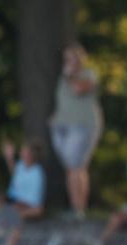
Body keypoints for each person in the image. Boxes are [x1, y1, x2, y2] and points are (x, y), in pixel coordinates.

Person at [49, 43, 103, 220]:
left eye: (73, 58)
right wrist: (55, 117)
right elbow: (64, 101)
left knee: (75, 167)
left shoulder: (88, 75)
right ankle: (77, 208)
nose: (69, 62)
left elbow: (78, 90)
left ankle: (78, 210)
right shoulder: (62, 78)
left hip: (83, 126)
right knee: (74, 168)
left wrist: (70, 75)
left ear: (80, 59)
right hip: (62, 126)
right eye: (67, 58)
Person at [2, 138, 46, 220]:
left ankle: (15, 215)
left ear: (30, 154)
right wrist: (9, 158)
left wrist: (21, 203)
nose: (20, 152)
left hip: (27, 203)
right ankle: (14, 215)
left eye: (23, 150)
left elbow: (34, 199)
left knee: (38, 210)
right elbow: (14, 173)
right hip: (14, 200)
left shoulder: (37, 173)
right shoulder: (21, 165)